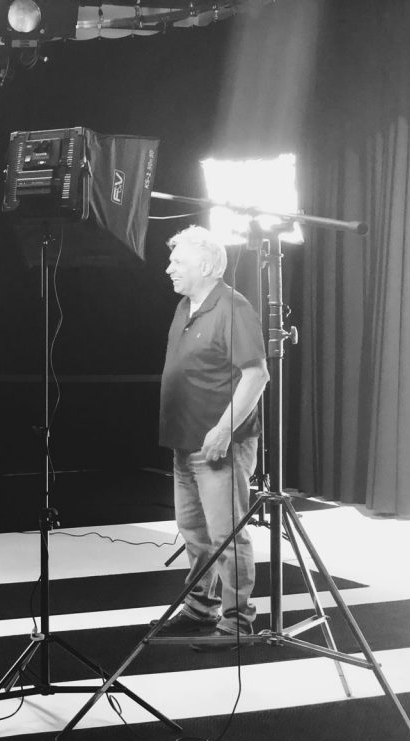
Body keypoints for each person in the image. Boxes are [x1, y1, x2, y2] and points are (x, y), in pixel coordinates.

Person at [154, 225, 269, 649]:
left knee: (226, 534)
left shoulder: (233, 307)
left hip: (219, 443)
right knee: (193, 530)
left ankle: (239, 621)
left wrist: (224, 430)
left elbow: (256, 375)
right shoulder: (187, 306)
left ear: (205, 266)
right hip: (185, 442)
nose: (169, 269)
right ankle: (201, 608)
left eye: (177, 262)